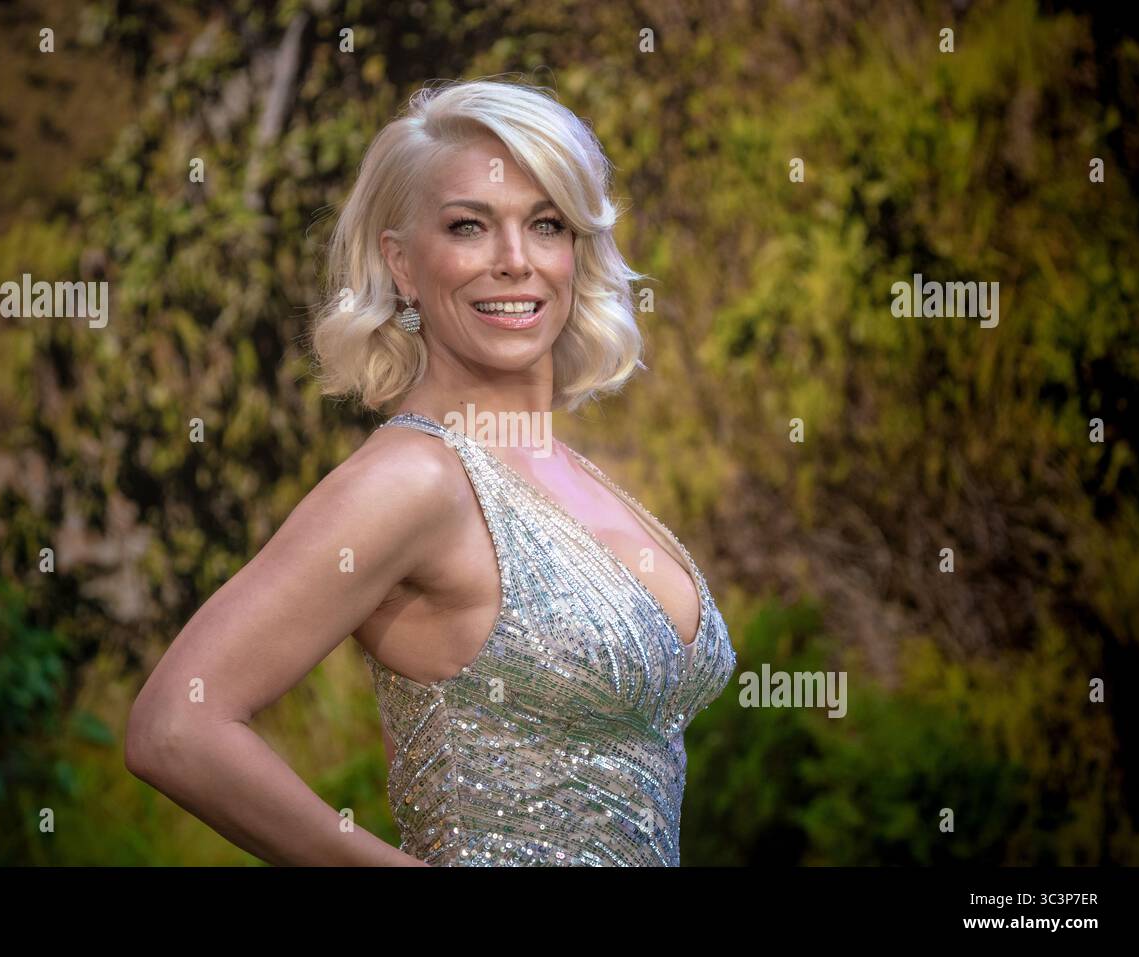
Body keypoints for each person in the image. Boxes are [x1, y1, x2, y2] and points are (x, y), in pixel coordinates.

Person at [125, 77, 737, 866]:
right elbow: (175, 724)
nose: (514, 262)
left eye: (546, 224)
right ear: (403, 264)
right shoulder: (414, 478)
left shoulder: (571, 471)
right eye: (469, 227)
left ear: (575, 253)